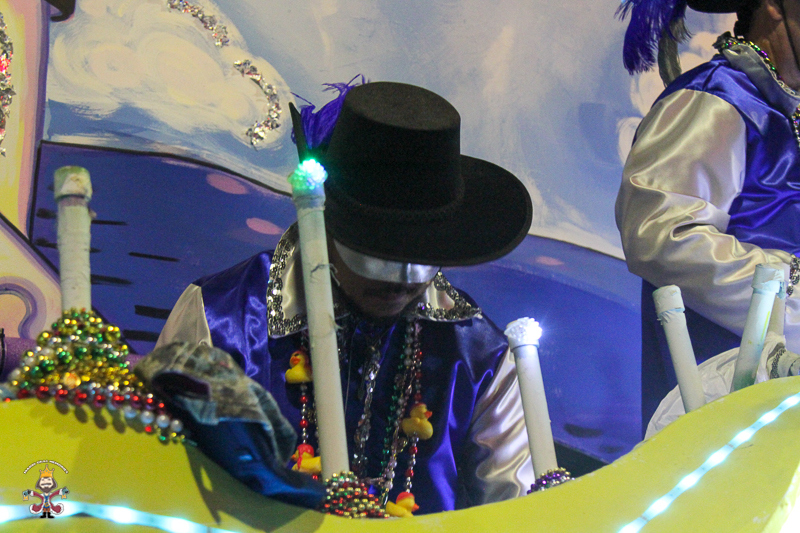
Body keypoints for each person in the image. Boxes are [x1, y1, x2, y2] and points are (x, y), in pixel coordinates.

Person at [156, 80, 534, 514]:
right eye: (378, 250)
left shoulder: (480, 355)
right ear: (325, 223)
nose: (403, 280)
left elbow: (517, 512)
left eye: (422, 252)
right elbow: (166, 484)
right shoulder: (223, 318)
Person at [616, 0, 800, 432]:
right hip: (727, 420)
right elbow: (662, 234)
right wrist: (790, 285)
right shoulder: (717, 98)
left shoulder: (786, 113)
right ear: (774, 6)